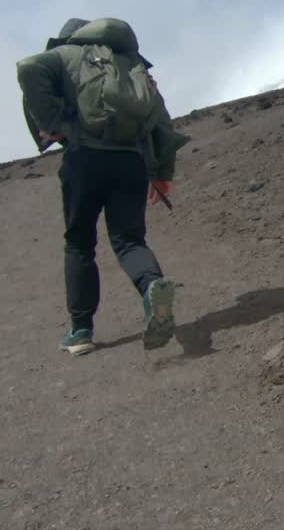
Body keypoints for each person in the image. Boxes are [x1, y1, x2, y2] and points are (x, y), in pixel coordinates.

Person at [17, 18, 190, 355]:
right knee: (129, 240)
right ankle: (152, 288)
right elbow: (161, 122)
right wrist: (162, 173)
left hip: (84, 158)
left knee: (79, 243)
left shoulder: (63, 55)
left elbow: (28, 68)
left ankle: (81, 330)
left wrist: (55, 123)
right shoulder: (132, 64)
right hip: (131, 162)